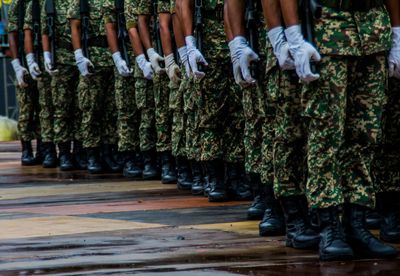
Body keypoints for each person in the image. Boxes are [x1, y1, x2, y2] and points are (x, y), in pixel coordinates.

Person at [280, 0, 398, 261]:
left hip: (373, 30)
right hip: (327, 30)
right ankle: (329, 226)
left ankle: (357, 222)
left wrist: (397, 32)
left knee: (365, 134)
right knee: (326, 136)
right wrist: (293, 36)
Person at [68, 0, 120, 174]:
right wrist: (79, 56)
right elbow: (75, 26)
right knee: (90, 109)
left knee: (111, 110)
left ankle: (108, 152)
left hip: (111, 57)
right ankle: (92, 153)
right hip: (92, 58)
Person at [41, 0, 86, 171]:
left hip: (83, 58)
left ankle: (80, 150)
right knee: (61, 108)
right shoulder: (51, 3)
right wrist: (46, 55)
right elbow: (45, 31)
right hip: (61, 60)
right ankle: (65, 152)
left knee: (81, 107)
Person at [7, 0, 41, 166]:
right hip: (24, 62)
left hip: (42, 59)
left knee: (44, 107)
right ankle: (26, 149)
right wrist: (16, 65)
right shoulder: (18, 4)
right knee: (26, 108)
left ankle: (44, 147)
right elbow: (12, 34)